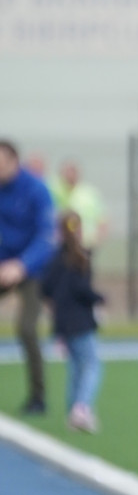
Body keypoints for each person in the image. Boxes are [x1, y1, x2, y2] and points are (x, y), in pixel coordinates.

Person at [0, 139, 56, 415]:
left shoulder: (36, 189)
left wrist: (22, 265)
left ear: (13, 161)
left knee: (27, 329)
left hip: (31, 269)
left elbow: (47, 237)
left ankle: (38, 397)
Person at [40, 211, 105, 433]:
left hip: (62, 322)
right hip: (81, 321)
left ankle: (73, 413)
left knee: (75, 368)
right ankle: (82, 407)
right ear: (80, 230)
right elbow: (82, 289)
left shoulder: (54, 258)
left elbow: (45, 288)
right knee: (92, 365)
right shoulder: (81, 257)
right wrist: (100, 298)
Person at [50, 160, 109, 251]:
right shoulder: (53, 192)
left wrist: (97, 239)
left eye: (73, 171)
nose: (70, 175)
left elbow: (103, 219)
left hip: (85, 245)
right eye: (67, 172)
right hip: (59, 246)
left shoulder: (89, 193)